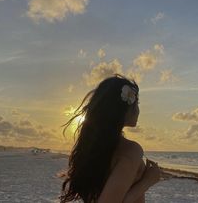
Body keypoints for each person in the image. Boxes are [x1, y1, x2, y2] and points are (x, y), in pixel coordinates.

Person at [59, 74, 160, 203]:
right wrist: (147, 181)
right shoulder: (131, 150)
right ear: (124, 108)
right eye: (137, 103)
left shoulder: (97, 150)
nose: (138, 109)